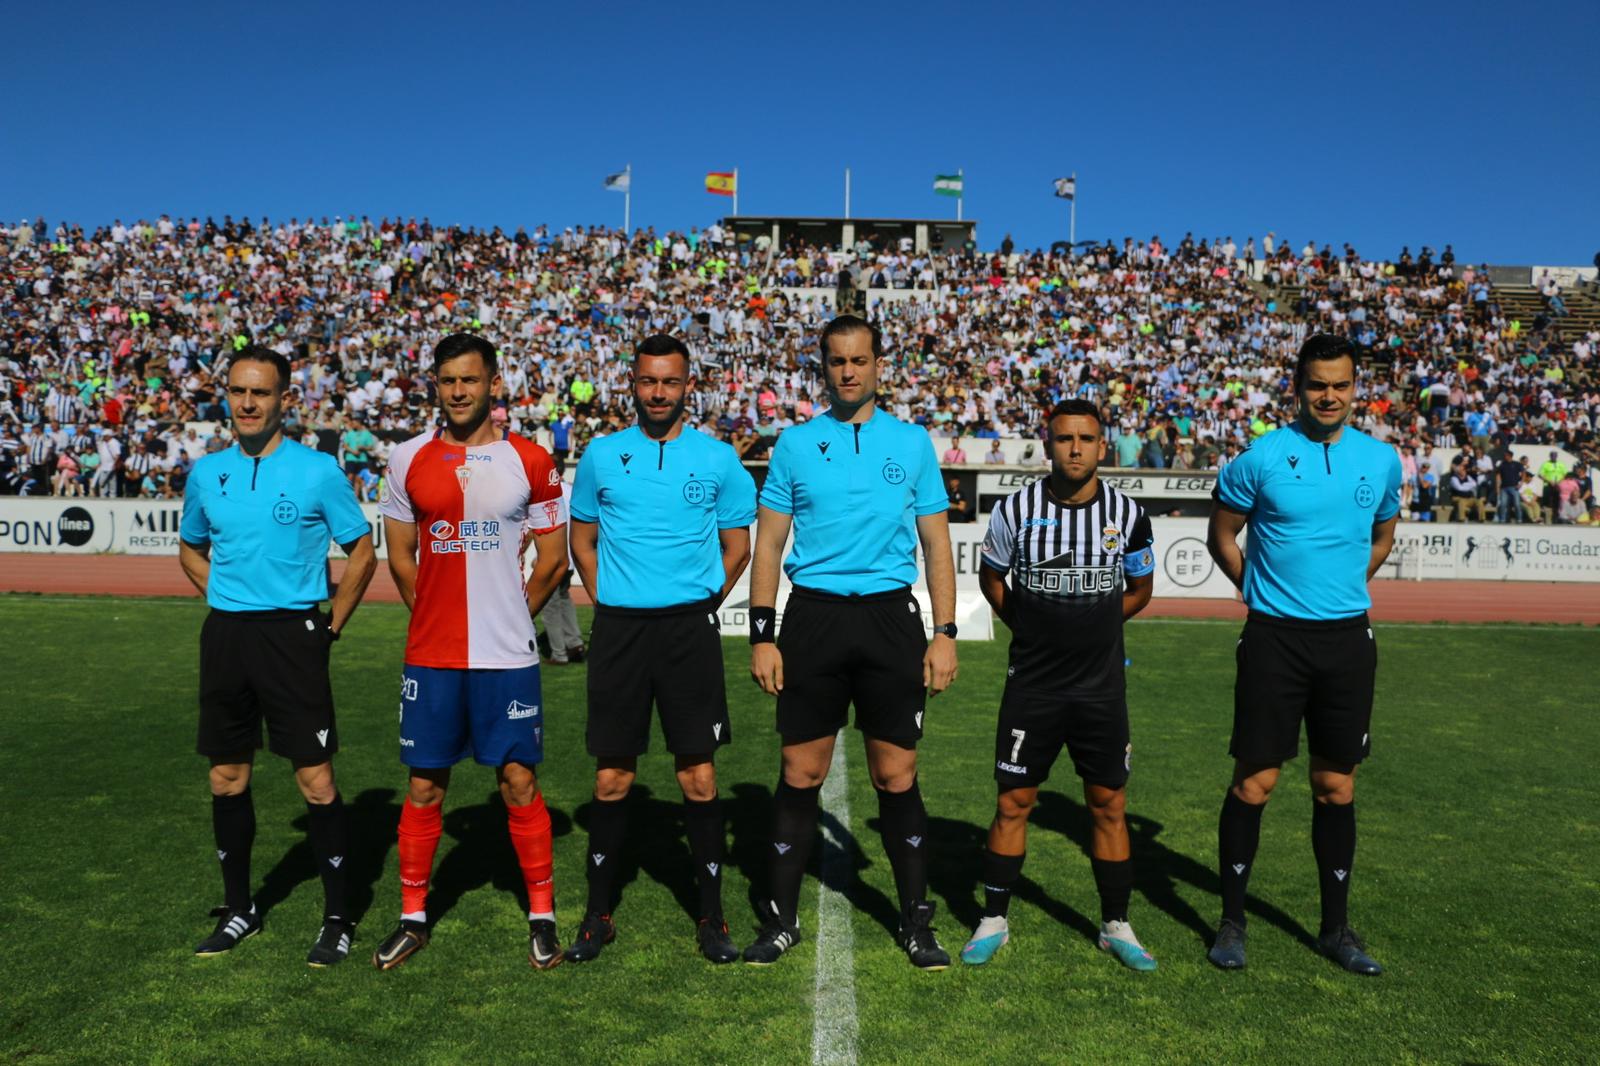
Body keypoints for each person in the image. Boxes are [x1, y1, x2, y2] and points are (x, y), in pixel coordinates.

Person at [744, 314, 959, 970]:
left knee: (896, 775)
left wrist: (944, 633)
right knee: (800, 772)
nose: (847, 372)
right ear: (824, 367)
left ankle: (916, 922)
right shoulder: (796, 444)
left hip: (891, 623)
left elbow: (937, 546)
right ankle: (781, 922)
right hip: (813, 621)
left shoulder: (913, 443)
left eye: (859, 360)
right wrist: (763, 633)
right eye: (836, 361)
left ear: (878, 365)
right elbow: (771, 544)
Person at [372, 333, 571, 971]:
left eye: (470, 380)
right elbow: (401, 559)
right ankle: (412, 917)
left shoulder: (532, 461)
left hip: (506, 658)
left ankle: (541, 915)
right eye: (447, 380)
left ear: (492, 385)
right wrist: (431, 614)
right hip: (431, 655)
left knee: (517, 781)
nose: (458, 391)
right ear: (436, 384)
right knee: (425, 785)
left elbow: (552, 561)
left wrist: (512, 616)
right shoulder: (405, 459)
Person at [1206, 333, 1401, 975]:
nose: (1329, 395)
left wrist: (1341, 591)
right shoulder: (1261, 457)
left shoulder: (1381, 461)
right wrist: (1255, 588)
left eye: (1341, 384)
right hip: (1274, 639)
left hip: (1347, 641)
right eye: (1318, 383)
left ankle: (1336, 929)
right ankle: (1232, 922)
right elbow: (1223, 533)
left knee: (1335, 785)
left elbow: (1381, 537)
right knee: (1255, 782)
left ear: (1355, 388)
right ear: (1298, 386)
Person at [177, 345, 378, 966]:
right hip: (228, 638)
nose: (247, 403)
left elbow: (361, 549)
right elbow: (189, 548)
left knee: (316, 782)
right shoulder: (208, 473)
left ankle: (339, 916)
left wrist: (330, 626)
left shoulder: (317, 471)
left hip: (295, 637)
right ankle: (240, 909)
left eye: (260, 393)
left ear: (285, 400)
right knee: (226, 775)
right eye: (238, 391)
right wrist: (227, 595)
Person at [565, 333, 757, 964]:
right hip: (620, 631)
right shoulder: (600, 454)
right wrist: (608, 599)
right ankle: (597, 915)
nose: (657, 393)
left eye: (669, 382)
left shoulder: (718, 459)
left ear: (686, 386)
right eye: (648, 381)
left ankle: (713, 916)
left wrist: (702, 602)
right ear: (633, 383)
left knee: (699, 779)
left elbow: (739, 549)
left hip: (687, 633)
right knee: (614, 777)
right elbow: (583, 541)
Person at [961, 399, 1158, 971]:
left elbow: (1141, 588)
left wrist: (1093, 626)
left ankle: (1115, 924)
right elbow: (992, 577)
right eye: (1065, 438)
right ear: (1047, 445)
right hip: (1034, 688)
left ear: (1103, 446)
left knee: (1109, 804)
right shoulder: (1015, 510)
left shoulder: (1129, 513)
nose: (1075, 448)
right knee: (1014, 801)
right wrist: (1031, 626)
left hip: (1100, 690)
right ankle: (994, 917)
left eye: (1087, 438)